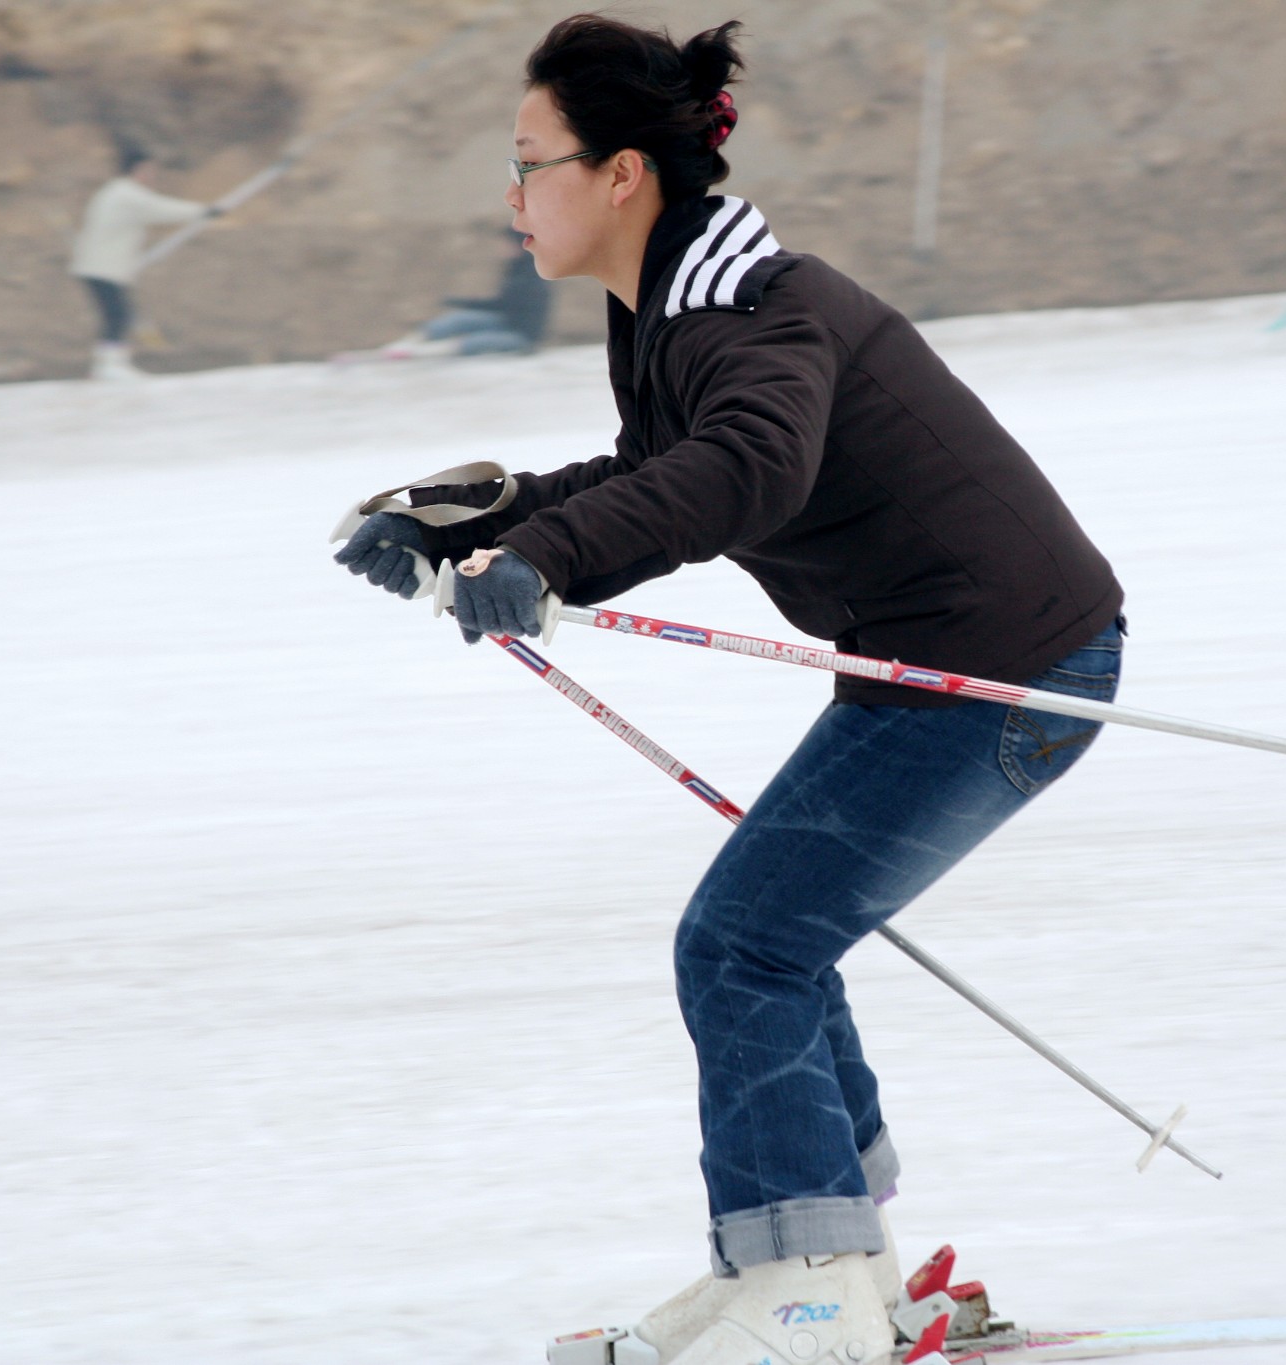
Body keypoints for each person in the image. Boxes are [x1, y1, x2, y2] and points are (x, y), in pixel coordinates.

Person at [333, 17, 1123, 1365]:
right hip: (949, 659)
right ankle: (839, 1263)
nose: (510, 195)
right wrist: (489, 525)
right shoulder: (680, 304)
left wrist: (545, 552)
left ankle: (807, 1282)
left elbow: (746, 465)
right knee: (768, 934)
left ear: (622, 172)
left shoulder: (750, 312)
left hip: (1001, 666)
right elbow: (664, 462)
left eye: (530, 163)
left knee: (743, 944)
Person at [69, 147, 217, 380]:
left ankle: (107, 364)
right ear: (137, 169)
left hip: (98, 265)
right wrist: (202, 211)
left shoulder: (116, 192)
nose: (153, 175)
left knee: (116, 314)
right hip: (102, 267)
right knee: (118, 314)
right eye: (150, 170)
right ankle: (110, 366)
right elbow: (160, 209)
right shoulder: (126, 194)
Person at [362, 227, 551, 360]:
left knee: (474, 342)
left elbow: (507, 304)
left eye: (505, 244)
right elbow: (503, 305)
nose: (500, 249)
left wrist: (466, 302)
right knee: (458, 320)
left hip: (521, 336)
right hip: (504, 322)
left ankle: (420, 354)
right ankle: (400, 347)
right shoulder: (515, 268)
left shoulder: (533, 273)